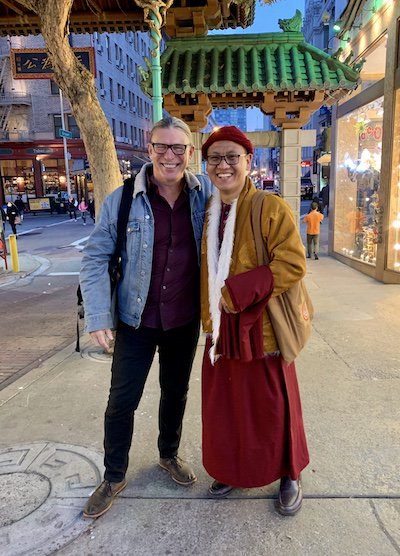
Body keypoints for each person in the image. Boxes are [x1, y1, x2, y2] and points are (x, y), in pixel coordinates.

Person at [80, 116, 212, 519]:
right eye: (162, 147)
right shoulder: (122, 200)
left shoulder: (205, 195)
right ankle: (114, 475)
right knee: (122, 401)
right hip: (135, 320)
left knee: (176, 393)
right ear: (149, 149)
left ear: (190, 152)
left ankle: (168, 454)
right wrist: (98, 316)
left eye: (178, 148)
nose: (170, 156)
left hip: (184, 319)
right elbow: (95, 257)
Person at [200, 126, 309, 516]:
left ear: (248, 161)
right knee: (227, 409)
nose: (223, 165)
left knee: (274, 407)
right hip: (220, 330)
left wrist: (236, 292)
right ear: (207, 165)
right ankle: (232, 469)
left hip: (262, 329)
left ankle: (289, 473)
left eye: (232, 157)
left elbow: (293, 264)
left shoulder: (270, 207)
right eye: (215, 158)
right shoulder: (208, 211)